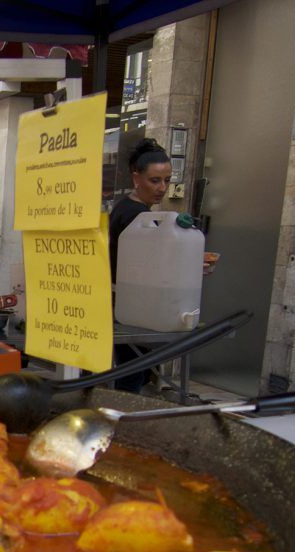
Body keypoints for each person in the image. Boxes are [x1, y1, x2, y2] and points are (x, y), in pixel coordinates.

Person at [108, 138, 172, 393]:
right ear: (136, 177)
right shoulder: (135, 216)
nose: (162, 188)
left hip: (129, 302)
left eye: (167, 180)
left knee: (136, 371)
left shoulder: (132, 209)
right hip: (131, 305)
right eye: (154, 180)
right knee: (133, 375)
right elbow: (144, 265)